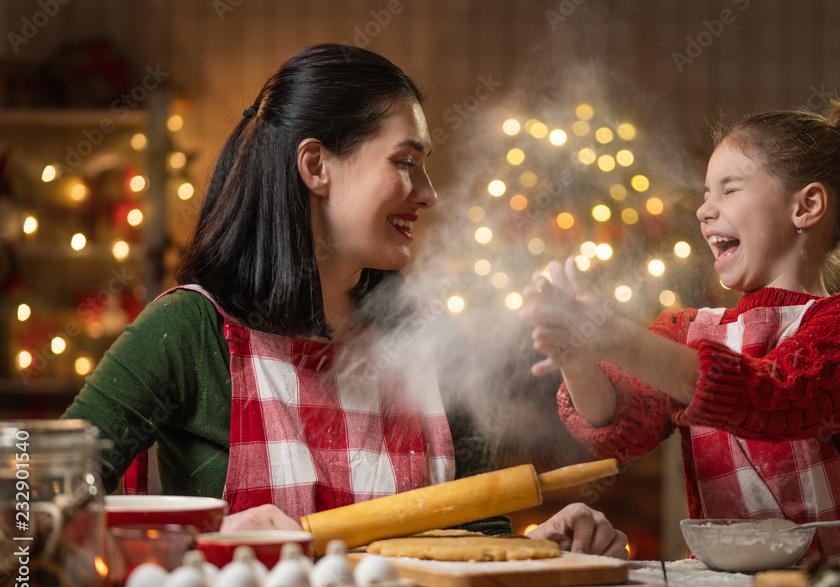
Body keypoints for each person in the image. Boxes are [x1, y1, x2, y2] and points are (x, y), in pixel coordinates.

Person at [64, 43, 627, 559]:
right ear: (316, 167)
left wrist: (543, 545)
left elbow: (476, 537)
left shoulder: (436, 342)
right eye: (405, 162)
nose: (429, 193)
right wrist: (198, 544)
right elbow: (32, 504)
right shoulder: (189, 329)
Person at [520, 97, 840, 558]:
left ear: (807, 206)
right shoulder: (686, 332)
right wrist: (580, 359)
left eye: (729, 189)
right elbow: (621, 428)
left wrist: (614, 335)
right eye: (706, 194)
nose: (703, 210)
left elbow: (775, 397)